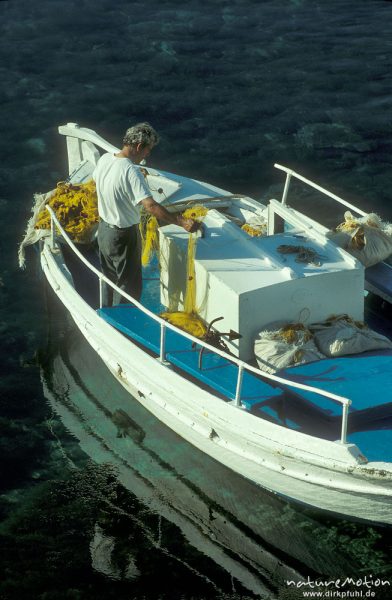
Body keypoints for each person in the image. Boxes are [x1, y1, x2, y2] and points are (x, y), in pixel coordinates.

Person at [93, 122, 198, 307]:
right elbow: (150, 206)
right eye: (148, 150)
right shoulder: (131, 171)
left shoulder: (105, 159)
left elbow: (103, 181)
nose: (147, 154)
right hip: (123, 236)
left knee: (109, 278)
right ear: (139, 146)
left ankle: (107, 312)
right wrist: (180, 221)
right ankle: (124, 323)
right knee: (129, 284)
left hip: (103, 231)